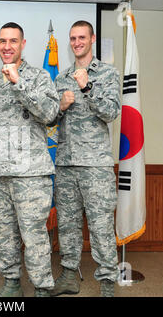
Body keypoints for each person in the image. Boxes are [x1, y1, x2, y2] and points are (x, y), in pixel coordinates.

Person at [0, 22, 60, 297]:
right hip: (1, 175)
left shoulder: (38, 77)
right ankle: (11, 281)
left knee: (34, 235)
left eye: (13, 41)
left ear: (23, 44)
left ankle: (42, 287)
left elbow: (49, 114)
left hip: (31, 175)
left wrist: (18, 82)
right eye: (2, 41)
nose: (7, 46)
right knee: (4, 234)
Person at [51, 21, 121, 297]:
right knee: (67, 224)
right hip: (66, 163)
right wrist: (61, 105)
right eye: (73, 38)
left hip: (96, 164)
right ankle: (69, 275)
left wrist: (88, 86)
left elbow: (111, 111)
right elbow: (50, 120)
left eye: (82, 37)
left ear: (92, 39)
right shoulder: (60, 78)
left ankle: (106, 284)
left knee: (101, 224)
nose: (77, 42)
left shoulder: (107, 73)